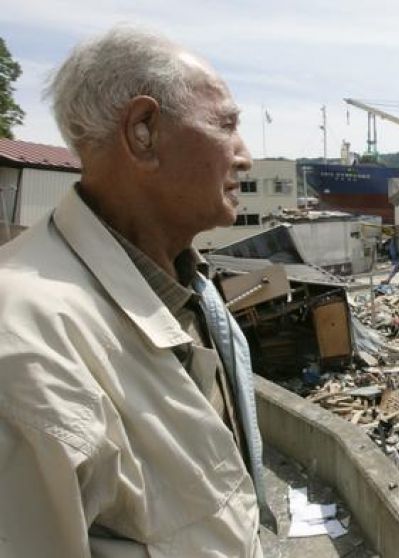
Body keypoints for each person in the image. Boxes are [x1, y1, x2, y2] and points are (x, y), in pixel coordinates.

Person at [0, 26, 272, 556]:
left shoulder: (191, 287)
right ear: (143, 132)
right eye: (226, 125)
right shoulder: (26, 345)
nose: (245, 157)